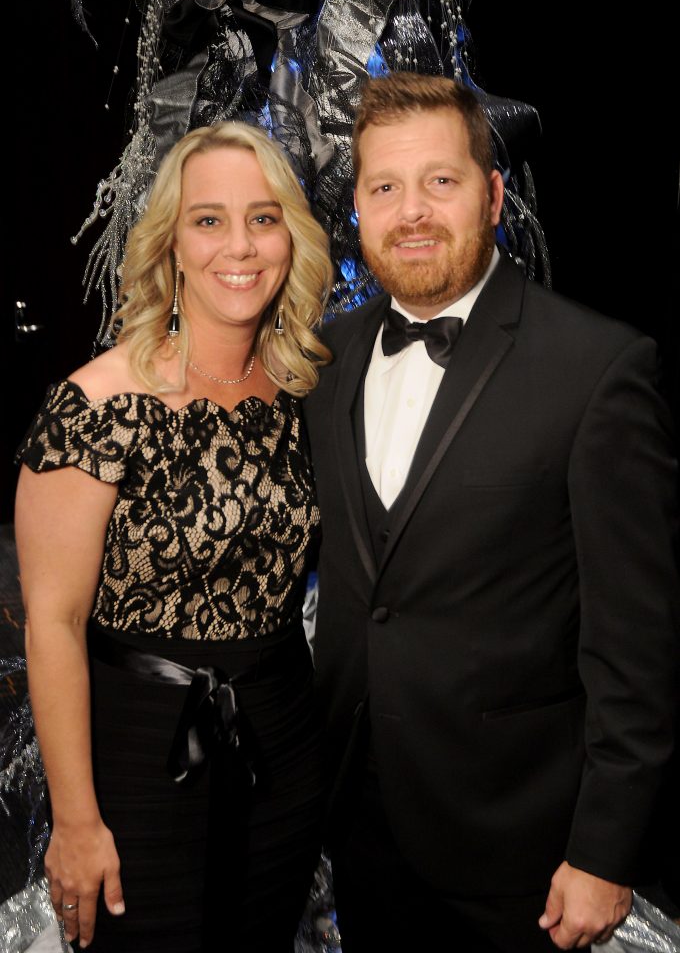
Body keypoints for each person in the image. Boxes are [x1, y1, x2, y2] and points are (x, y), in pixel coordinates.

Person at [304, 72, 680, 952]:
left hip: (521, 853)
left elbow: (639, 645)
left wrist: (604, 852)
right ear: (356, 206)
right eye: (384, 188)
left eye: (441, 181)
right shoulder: (326, 360)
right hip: (356, 827)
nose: (412, 213)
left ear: (494, 193)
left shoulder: (598, 370)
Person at [14, 120, 333, 952]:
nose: (240, 245)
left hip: (284, 751)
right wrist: (77, 820)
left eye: (264, 218)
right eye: (209, 219)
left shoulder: (306, 393)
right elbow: (52, 623)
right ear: (172, 244)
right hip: (136, 763)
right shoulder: (95, 405)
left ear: (290, 239)